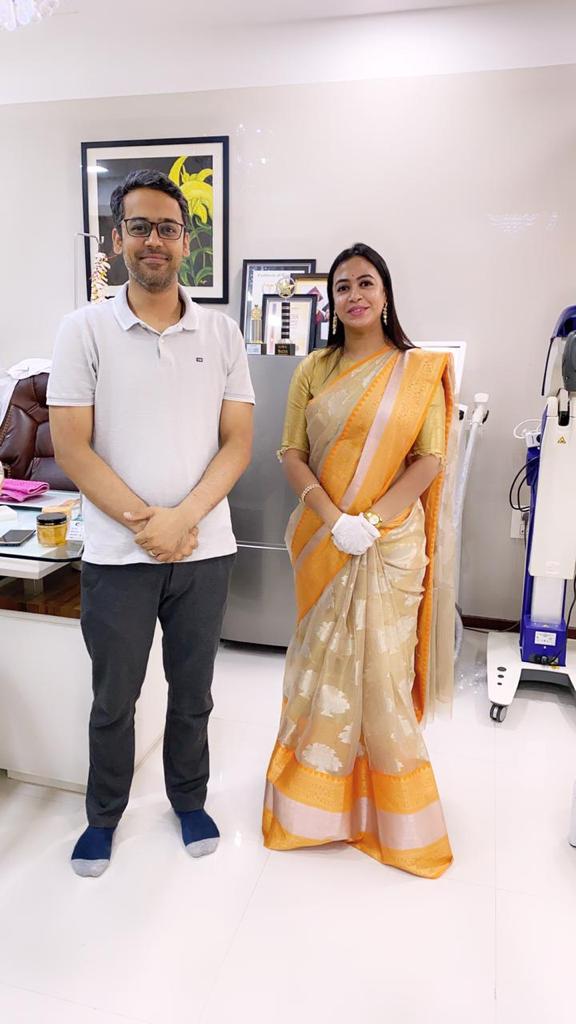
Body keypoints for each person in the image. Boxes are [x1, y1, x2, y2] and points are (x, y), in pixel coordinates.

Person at [48, 170, 254, 876]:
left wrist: (184, 519)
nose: (154, 240)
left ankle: (188, 799)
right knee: (114, 699)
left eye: (168, 228)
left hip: (205, 550)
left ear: (186, 241)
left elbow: (238, 442)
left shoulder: (221, 333)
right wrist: (148, 525)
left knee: (193, 693)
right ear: (118, 239)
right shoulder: (83, 330)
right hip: (117, 554)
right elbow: (73, 446)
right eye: (140, 227)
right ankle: (103, 816)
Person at [262, 242, 456, 879]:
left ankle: (390, 815)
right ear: (332, 301)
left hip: (391, 542)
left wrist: (371, 522)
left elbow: (429, 460)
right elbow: (291, 453)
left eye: (365, 283)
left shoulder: (417, 370)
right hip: (324, 539)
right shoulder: (314, 369)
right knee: (319, 673)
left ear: (386, 293)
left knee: (382, 677)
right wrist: (335, 520)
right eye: (342, 286)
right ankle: (316, 807)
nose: (354, 295)